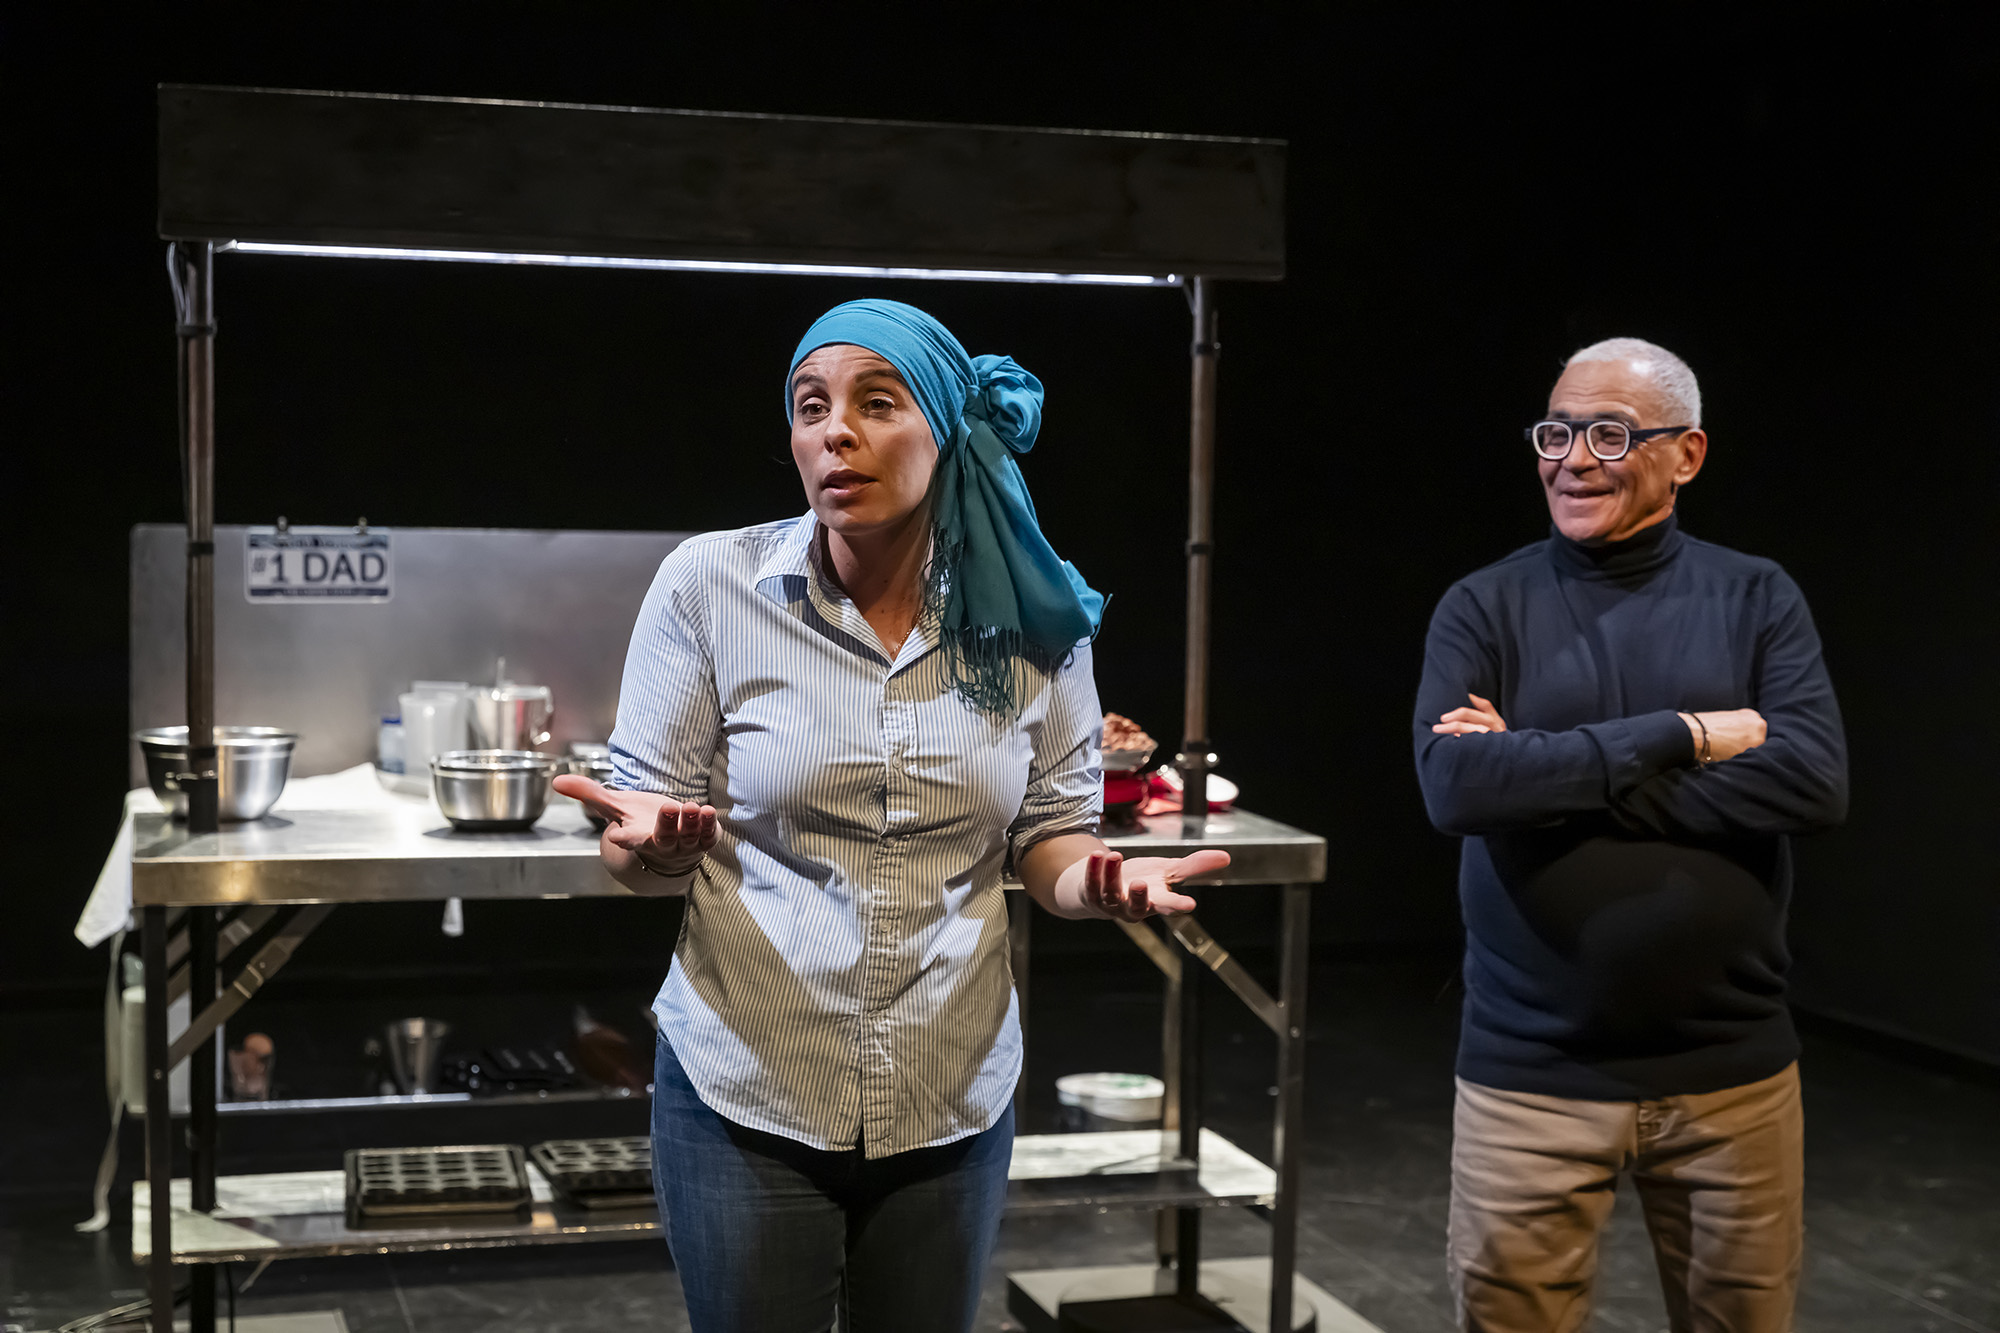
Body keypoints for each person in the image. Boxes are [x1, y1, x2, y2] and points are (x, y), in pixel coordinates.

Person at [555, 298, 1229, 1333]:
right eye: (810, 406)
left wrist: (1096, 881)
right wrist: (651, 849)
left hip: (948, 1093)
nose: (836, 432)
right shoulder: (710, 585)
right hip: (748, 1089)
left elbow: (1048, 834)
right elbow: (637, 840)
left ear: (946, 427)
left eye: (877, 402)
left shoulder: (1030, 615)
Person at [1411, 337, 1848, 1333]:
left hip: (1732, 1075)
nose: (1573, 459)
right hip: (1530, 1079)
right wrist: (1679, 737)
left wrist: (1541, 768)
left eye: (1609, 434)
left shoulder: (1756, 597)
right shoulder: (1484, 605)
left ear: (1685, 453)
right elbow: (1457, 787)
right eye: (1555, 433)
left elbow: (1814, 782)